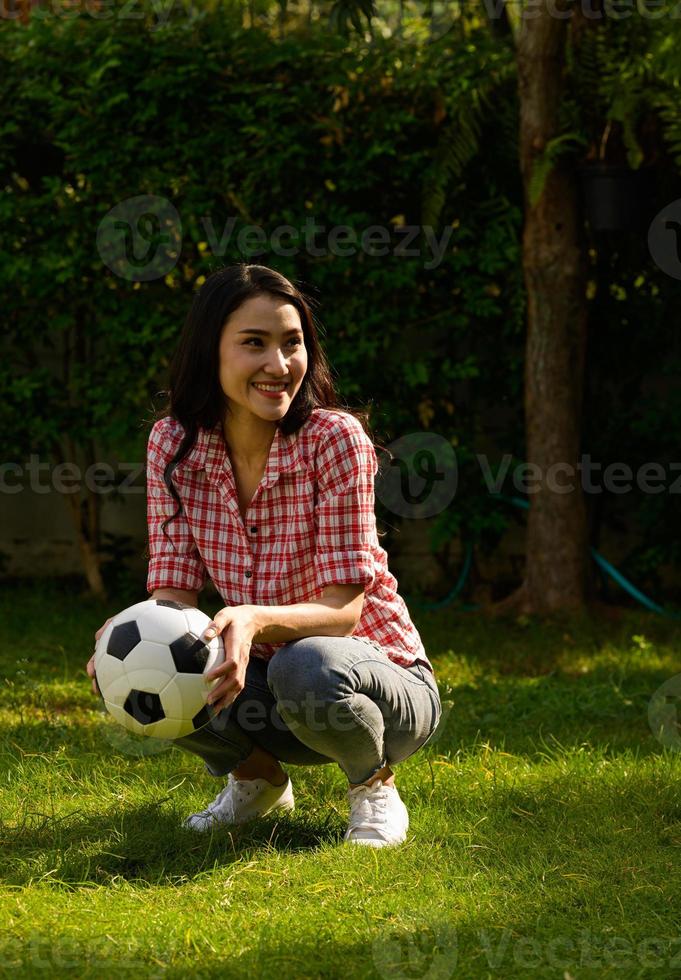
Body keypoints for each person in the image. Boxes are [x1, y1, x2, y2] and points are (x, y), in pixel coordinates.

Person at [87, 263, 442, 848]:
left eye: (292, 343)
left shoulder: (334, 440)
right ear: (211, 352)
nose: (279, 366)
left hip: (376, 685)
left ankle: (373, 785)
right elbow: (173, 592)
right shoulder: (173, 445)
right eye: (255, 343)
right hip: (266, 693)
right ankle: (257, 779)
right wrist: (132, 632)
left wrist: (251, 617)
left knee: (302, 663)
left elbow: (342, 611)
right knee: (132, 660)